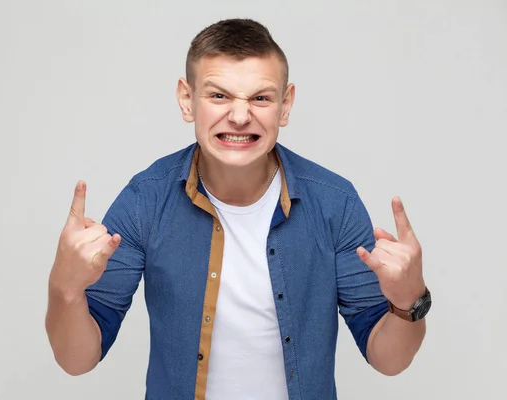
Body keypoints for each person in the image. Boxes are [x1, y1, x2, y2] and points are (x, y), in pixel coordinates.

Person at [45, 18, 430, 400]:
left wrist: (408, 301)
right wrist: (65, 288)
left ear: (285, 104)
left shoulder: (334, 202)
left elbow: (389, 360)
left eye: (260, 98)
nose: (240, 116)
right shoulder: (146, 199)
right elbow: (77, 359)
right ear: (186, 99)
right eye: (219, 96)